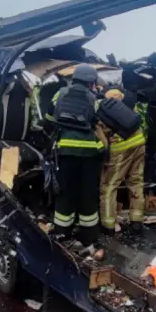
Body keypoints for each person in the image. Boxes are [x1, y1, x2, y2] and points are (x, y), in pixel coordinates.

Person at [45, 64, 106, 245]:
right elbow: (98, 122)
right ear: (91, 82)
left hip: (65, 152)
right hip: (89, 154)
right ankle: (88, 235)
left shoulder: (60, 94)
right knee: (88, 193)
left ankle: (62, 232)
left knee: (65, 192)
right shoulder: (93, 99)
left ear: (75, 78)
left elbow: (49, 118)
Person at [98, 86, 146, 236]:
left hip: (120, 148)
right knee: (136, 182)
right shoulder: (126, 102)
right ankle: (137, 221)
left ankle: (108, 225)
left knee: (109, 186)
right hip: (139, 143)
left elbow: (103, 141)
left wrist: (104, 157)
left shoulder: (102, 108)